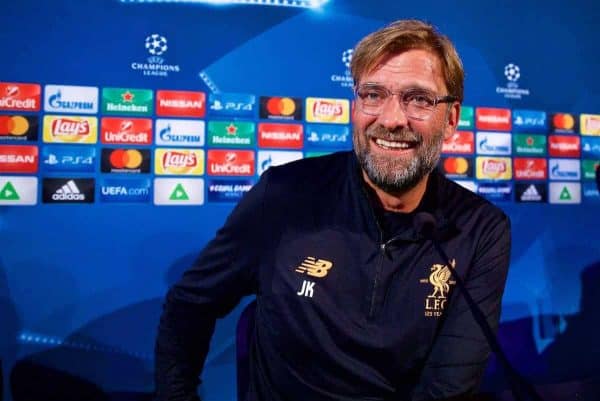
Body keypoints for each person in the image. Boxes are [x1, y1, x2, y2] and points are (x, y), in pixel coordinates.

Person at [155, 19, 511, 401]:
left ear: (452, 120)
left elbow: (448, 388)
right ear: (355, 106)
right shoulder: (282, 196)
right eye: (373, 95)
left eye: (418, 99)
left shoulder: (481, 230)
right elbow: (189, 305)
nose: (391, 120)